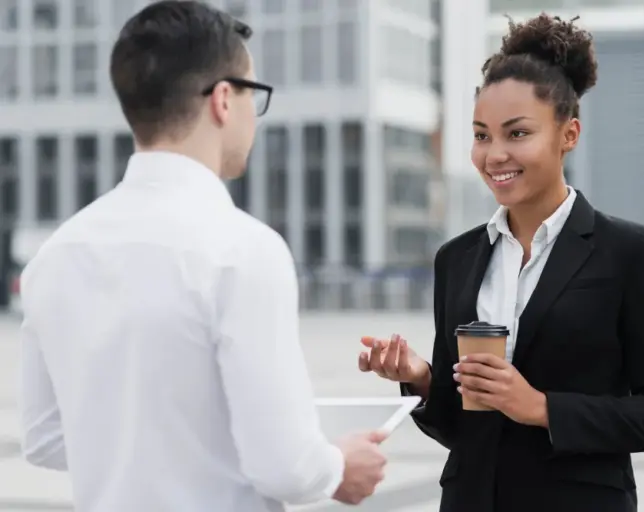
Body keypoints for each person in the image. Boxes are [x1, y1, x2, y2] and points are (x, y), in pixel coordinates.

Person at [18, 2, 387, 511]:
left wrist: (150, 449)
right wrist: (338, 465)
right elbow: (286, 468)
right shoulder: (243, 250)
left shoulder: (54, 256)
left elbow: (42, 439)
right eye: (253, 95)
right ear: (222, 100)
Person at [359, 13, 644, 512]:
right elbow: (461, 425)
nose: (494, 154)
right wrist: (422, 378)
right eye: (480, 135)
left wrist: (542, 408)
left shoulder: (626, 252)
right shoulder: (457, 259)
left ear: (569, 134)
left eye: (517, 134)